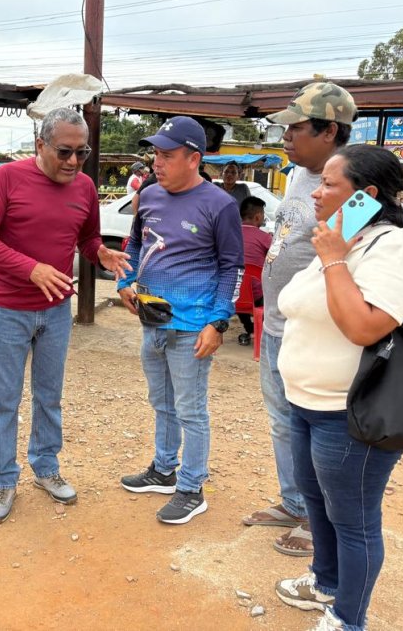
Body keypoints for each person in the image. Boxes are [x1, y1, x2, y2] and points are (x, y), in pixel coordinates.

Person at [274, 145, 403, 631]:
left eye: (329, 184)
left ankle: (347, 618)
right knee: (316, 498)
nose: (317, 193)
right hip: (305, 402)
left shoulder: (393, 248)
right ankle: (325, 581)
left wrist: (332, 260)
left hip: (351, 414)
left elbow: (364, 328)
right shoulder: (343, 238)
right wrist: (333, 253)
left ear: (365, 195)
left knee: (354, 520)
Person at [0, 107, 130, 523]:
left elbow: (87, 237)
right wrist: (30, 268)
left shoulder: (86, 188)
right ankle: (4, 477)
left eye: (82, 153)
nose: (74, 162)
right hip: (9, 308)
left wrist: (100, 252)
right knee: (4, 400)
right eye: (64, 152)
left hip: (57, 310)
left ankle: (45, 467)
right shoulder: (7, 178)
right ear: (40, 144)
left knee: (49, 396)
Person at [243, 82, 357, 557]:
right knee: (283, 423)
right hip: (276, 324)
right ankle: (295, 502)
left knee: (318, 427)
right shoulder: (297, 177)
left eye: (296, 128)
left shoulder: (352, 186)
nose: (286, 137)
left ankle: (320, 518)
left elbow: (349, 256)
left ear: (330, 130)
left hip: (313, 332)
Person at [117, 116, 244, 525]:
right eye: (155, 153)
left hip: (193, 327)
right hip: (152, 320)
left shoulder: (220, 205)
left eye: (167, 155)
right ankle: (164, 469)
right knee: (162, 402)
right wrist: (125, 279)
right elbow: (135, 243)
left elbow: (231, 267)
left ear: (194, 158)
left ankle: (191, 488)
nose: (157, 162)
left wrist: (219, 322)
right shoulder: (149, 196)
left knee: (191, 410)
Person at [237, 196, 272, 346]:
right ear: (258, 216)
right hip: (257, 295)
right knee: (264, 288)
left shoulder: (229, 234)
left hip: (231, 293)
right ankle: (260, 330)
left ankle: (249, 328)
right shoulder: (264, 237)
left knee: (240, 286)